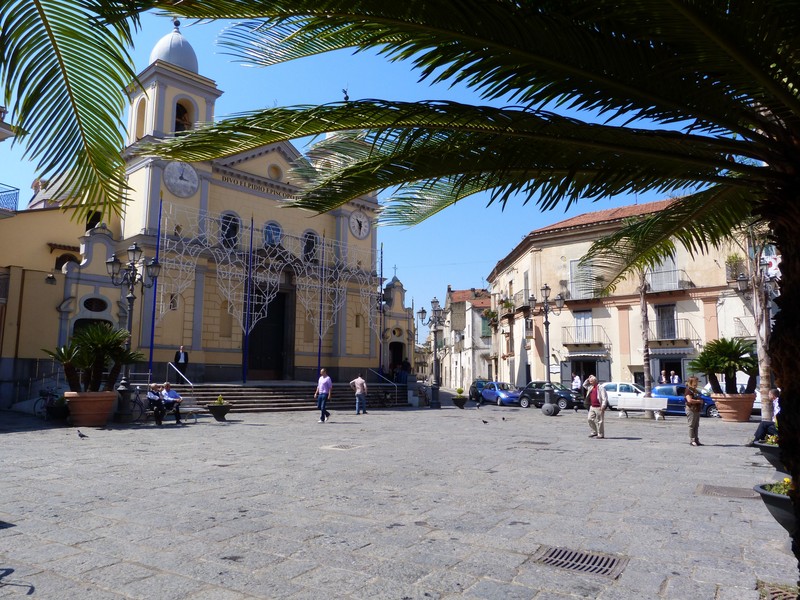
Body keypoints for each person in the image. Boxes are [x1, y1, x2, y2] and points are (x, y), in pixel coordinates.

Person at [684, 376, 703, 446]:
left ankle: (696, 439)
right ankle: (692, 440)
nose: (697, 383)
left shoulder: (695, 390)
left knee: (696, 425)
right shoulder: (688, 390)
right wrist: (698, 401)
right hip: (691, 409)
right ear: (691, 382)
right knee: (691, 425)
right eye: (696, 382)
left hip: (696, 409)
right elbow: (689, 400)